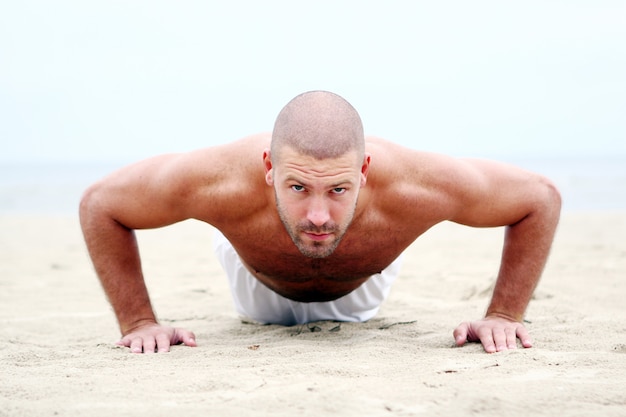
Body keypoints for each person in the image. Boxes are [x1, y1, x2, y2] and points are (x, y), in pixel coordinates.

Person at [79, 90, 561, 354]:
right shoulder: (215, 181)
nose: (317, 216)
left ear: (364, 171)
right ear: (269, 166)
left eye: (337, 190)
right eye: (296, 187)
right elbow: (102, 205)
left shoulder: (420, 186)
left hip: (361, 291)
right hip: (255, 283)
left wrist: (502, 315)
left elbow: (539, 198)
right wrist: (139, 322)